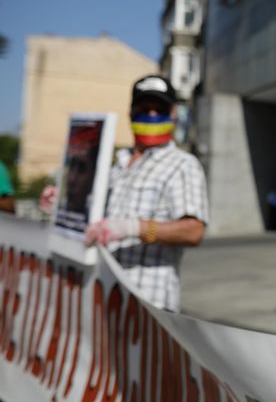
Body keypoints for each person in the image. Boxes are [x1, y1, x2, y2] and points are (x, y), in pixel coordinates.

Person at [83, 75, 209, 312]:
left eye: (159, 109)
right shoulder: (116, 165)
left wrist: (134, 228)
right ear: (131, 113)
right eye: (144, 108)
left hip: (149, 304)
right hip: (103, 294)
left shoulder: (183, 164)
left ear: (173, 114)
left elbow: (194, 231)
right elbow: (97, 221)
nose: (151, 115)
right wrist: (67, 201)